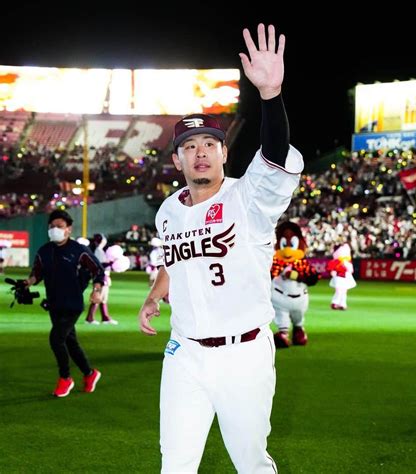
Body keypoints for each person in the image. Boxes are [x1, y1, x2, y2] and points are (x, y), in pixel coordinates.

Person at [138, 23, 303, 473]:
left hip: (243, 353)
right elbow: (177, 257)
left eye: (210, 143)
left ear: (224, 152)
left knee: (250, 462)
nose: (201, 153)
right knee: (174, 464)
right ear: (177, 160)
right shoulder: (169, 211)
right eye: (189, 147)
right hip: (184, 353)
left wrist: (270, 95)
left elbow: (274, 150)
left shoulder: (248, 199)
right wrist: (155, 296)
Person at [25, 210, 104, 397]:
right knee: (71, 342)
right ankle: (90, 374)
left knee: (56, 339)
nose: (55, 230)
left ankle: (65, 378)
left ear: (68, 229)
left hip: (73, 304)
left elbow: (97, 270)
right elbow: (37, 274)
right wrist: (27, 282)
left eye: (59, 227)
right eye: (51, 227)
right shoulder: (44, 251)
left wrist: (97, 290)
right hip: (53, 304)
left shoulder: (78, 251)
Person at [271, 221, 319, 348]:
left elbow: (313, 277)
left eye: (291, 244)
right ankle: (283, 333)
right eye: (283, 244)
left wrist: (297, 276)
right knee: (281, 315)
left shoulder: (301, 263)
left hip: (300, 298)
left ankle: (299, 329)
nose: (287, 250)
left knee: (298, 316)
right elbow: (268, 274)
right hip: (280, 297)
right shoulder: (275, 261)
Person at [84, 233, 118, 325]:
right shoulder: (98, 251)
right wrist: (112, 263)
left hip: (104, 276)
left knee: (103, 299)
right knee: (98, 297)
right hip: (102, 277)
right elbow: (100, 265)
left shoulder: (100, 250)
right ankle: (89, 318)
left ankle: (105, 317)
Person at [327, 243, 357, 310]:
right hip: (338, 277)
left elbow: (350, 270)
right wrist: (333, 272)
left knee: (344, 291)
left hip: (346, 277)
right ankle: (335, 303)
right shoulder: (337, 261)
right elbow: (330, 268)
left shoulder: (347, 261)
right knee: (339, 290)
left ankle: (342, 304)